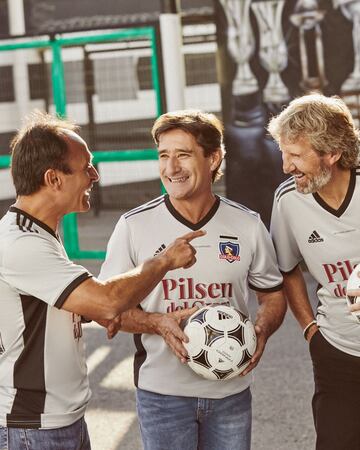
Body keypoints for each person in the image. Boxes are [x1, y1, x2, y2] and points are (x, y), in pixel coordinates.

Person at [0, 111, 203, 450]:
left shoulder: (39, 234)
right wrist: (165, 260)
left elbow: (86, 308)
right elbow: (106, 301)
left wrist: (155, 322)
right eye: (86, 167)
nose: (94, 175)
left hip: (59, 421)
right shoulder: (21, 243)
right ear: (53, 179)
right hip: (34, 428)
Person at [99, 110, 286, 450]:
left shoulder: (247, 225)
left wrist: (261, 332)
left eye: (183, 155)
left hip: (230, 393)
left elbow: (273, 296)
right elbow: (106, 308)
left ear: (213, 158)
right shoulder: (133, 226)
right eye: (163, 156)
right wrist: (156, 323)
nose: (170, 168)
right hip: (162, 396)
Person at [268, 93, 360, 450]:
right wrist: (311, 331)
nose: (286, 166)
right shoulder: (288, 200)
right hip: (336, 352)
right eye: (283, 154)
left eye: (295, 155)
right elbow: (287, 270)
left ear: (332, 153)